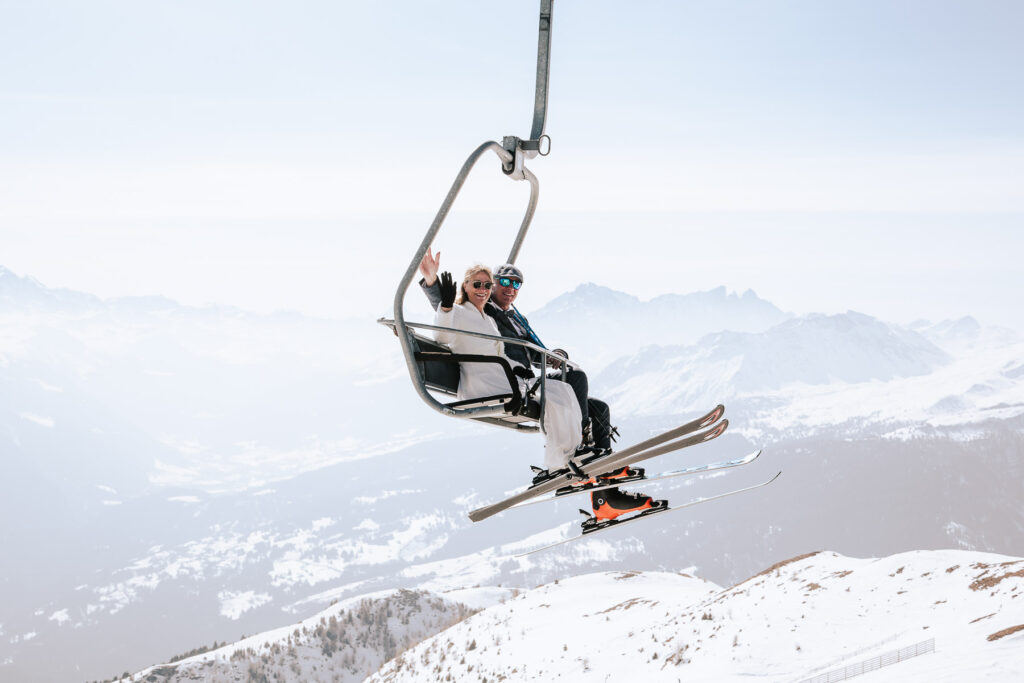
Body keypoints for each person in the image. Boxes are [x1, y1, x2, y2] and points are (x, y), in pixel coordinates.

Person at [422, 251, 662, 523]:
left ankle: (605, 490)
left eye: (515, 284)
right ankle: (580, 452)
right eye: (499, 283)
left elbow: (521, 348)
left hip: (512, 377)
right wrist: (433, 285)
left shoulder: (501, 317)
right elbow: (448, 315)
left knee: (599, 408)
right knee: (576, 380)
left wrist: (548, 357)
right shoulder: (481, 309)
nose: (501, 289)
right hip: (498, 382)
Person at [432, 265, 583, 473]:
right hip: (492, 384)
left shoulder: (497, 319)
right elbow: (443, 332)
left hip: (506, 380)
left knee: (574, 395)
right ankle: (566, 457)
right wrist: (436, 290)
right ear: (465, 286)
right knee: (563, 389)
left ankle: (578, 454)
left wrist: (552, 356)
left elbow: (533, 351)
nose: (482, 289)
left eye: (486, 285)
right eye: (477, 284)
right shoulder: (473, 312)